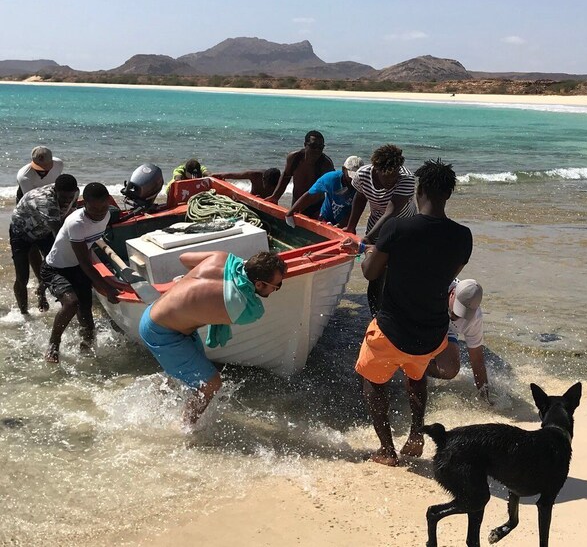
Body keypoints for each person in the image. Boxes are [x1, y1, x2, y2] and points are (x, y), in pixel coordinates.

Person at [351, 158, 472, 466]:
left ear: (420, 191)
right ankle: (416, 434)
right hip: (432, 334)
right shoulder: (463, 236)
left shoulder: (397, 227)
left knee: (372, 381)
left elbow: (369, 272)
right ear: (448, 194)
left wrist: (369, 251)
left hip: (392, 330)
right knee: (415, 374)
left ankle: (387, 451)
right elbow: (446, 275)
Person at [139, 251, 286, 425]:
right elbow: (251, 309)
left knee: (191, 379)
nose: (276, 289)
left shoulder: (223, 258)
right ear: (260, 284)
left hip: (159, 315)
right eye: (277, 285)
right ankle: (185, 431)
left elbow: (184, 258)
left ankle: (157, 400)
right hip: (162, 333)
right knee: (211, 384)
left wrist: (191, 280)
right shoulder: (241, 307)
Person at [41, 183, 121, 363]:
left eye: (103, 206)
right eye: (94, 208)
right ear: (85, 204)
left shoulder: (106, 215)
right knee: (71, 303)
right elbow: (85, 262)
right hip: (56, 268)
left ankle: (87, 348)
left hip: (76, 266)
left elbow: (89, 246)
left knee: (86, 316)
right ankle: (54, 343)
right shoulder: (76, 222)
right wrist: (106, 287)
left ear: (109, 201)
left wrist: (107, 281)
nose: (99, 212)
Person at [343, 144, 417, 316]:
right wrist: (351, 226)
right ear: (376, 169)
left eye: (395, 174)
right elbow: (360, 199)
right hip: (377, 224)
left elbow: (391, 212)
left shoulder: (406, 178)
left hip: (404, 228)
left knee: (399, 273)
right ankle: (376, 317)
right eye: (387, 176)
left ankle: (400, 313)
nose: (392, 180)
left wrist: (367, 239)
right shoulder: (362, 175)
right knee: (375, 274)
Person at [10, 174, 80, 315]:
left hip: (43, 229)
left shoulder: (75, 192)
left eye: (69, 197)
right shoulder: (46, 201)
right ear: (56, 191)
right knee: (22, 276)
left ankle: (41, 294)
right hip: (21, 231)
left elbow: (69, 216)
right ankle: (24, 313)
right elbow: (59, 237)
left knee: (53, 268)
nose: (67, 202)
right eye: (63, 198)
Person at [425, 279, 492, 404]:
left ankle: (409, 368)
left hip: (446, 329)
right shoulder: (433, 290)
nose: (457, 316)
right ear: (452, 293)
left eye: (464, 313)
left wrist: (485, 398)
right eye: (457, 309)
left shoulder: (475, 317)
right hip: (422, 319)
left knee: (449, 370)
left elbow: (477, 359)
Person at [16, 146, 65, 309]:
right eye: (39, 168)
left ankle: (44, 285)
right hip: (30, 206)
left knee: (51, 251)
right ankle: (41, 289)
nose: (42, 171)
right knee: (34, 248)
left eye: (45, 168)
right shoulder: (25, 176)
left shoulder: (58, 164)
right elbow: (33, 204)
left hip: (52, 202)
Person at [265, 130, 335, 217]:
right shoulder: (294, 158)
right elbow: (285, 178)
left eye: (320, 147)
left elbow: (332, 189)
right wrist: (275, 196)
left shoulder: (326, 164)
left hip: (316, 207)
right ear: (305, 145)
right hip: (296, 202)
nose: (317, 150)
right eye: (313, 146)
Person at [285, 156, 362, 226]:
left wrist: (338, 226)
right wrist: (290, 212)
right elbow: (310, 195)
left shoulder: (361, 185)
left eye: (356, 177)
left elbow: (356, 211)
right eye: (350, 177)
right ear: (343, 169)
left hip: (346, 223)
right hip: (325, 218)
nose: (353, 180)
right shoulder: (331, 178)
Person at [210, 168, 281, 198]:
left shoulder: (280, 182)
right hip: (252, 201)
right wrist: (219, 175)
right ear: (263, 179)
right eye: (267, 185)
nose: (269, 188)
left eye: (272, 187)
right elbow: (235, 175)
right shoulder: (254, 175)